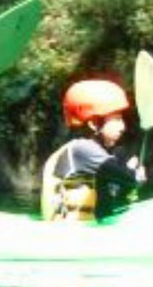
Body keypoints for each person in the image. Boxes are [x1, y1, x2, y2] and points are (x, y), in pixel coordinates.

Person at [40, 79, 146, 222]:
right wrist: (135, 174)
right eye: (116, 119)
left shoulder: (104, 156)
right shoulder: (82, 150)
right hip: (70, 235)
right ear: (93, 124)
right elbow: (128, 176)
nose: (122, 127)